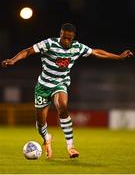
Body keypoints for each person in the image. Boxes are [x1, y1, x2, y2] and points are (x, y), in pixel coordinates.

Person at [1, 23, 133, 159]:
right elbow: (28, 51)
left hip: (61, 83)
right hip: (43, 86)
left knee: (62, 107)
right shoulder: (49, 43)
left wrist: (118, 56)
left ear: (73, 37)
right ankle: (47, 138)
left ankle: (71, 146)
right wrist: (13, 60)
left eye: (69, 39)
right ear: (60, 34)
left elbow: (96, 52)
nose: (66, 41)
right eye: (64, 37)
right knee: (41, 123)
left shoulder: (77, 47)